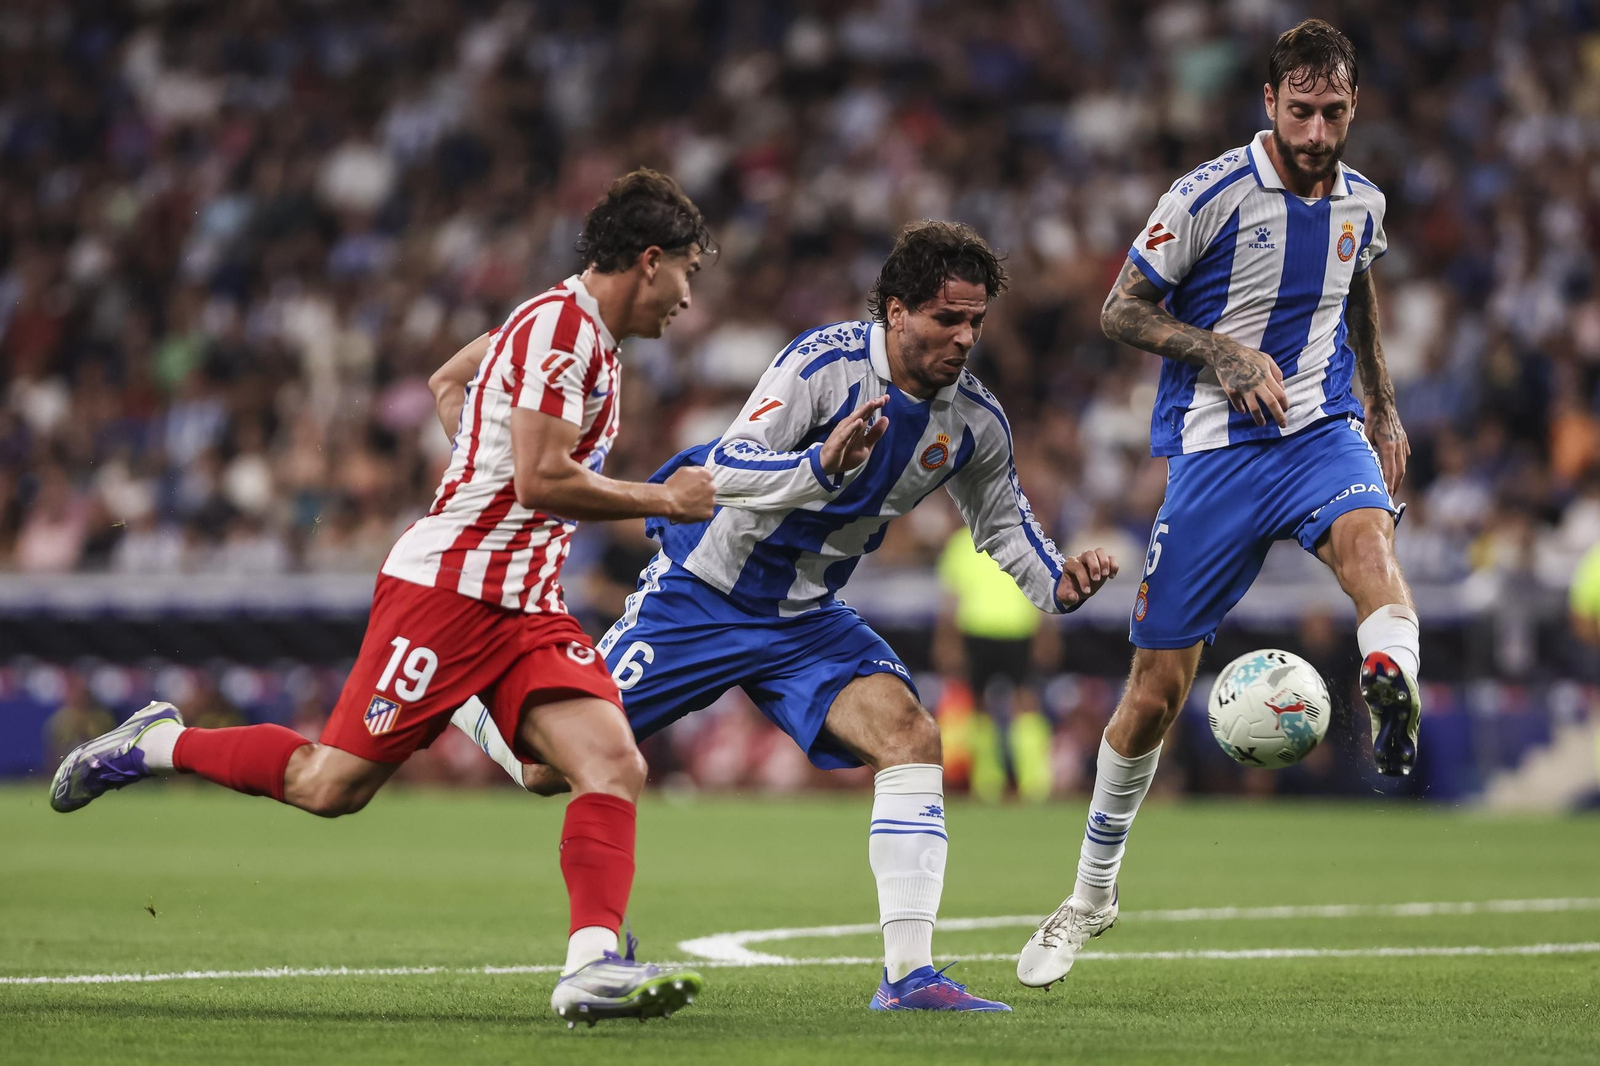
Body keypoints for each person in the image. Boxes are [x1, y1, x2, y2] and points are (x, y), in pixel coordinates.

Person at [49, 169, 718, 1028]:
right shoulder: (562, 332)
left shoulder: (566, 328)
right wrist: (665, 499)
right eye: (689, 272)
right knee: (330, 786)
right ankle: (157, 742)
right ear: (651, 260)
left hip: (524, 605)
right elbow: (541, 478)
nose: (690, 297)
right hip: (447, 596)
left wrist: (481, 460)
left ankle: (590, 966)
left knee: (605, 763)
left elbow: (448, 384)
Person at [451, 220, 1120, 1012]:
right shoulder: (823, 365)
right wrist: (817, 464)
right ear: (897, 311)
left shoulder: (973, 421)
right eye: (948, 318)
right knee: (546, 767)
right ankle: (463, 696)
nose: (966, 338)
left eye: (975, 321)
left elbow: (1005, 524)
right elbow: (728, 463)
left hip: (807, 619)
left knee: (911, 736)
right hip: (704, 595)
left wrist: (1058, 585)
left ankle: (909, 977)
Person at [1014, 19, 1422, 990]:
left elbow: (1355, 285)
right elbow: (1120, 308)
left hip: (1320, 429)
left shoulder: (1363, 201)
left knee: (1370, 545)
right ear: (1268, 101)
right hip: (1214, 453)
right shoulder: (1206, 195)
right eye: (1300, 111)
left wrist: (1381, 402)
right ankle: (1091, 895)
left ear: (1353, 106)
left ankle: (1391, 684)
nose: (1316, 132)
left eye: (1333, 113)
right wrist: (1223, 352)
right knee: (1154, 693)